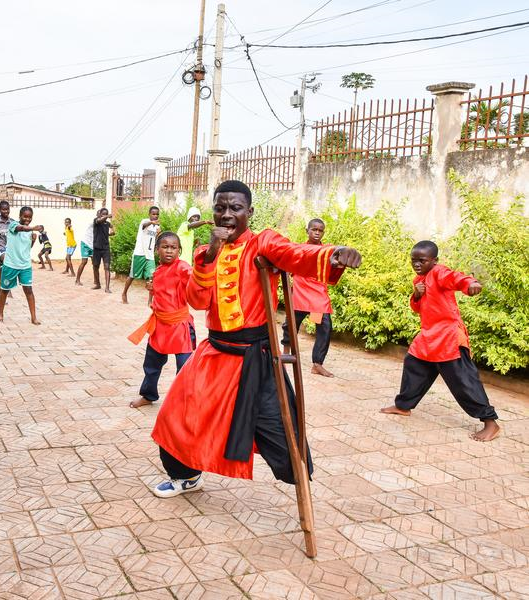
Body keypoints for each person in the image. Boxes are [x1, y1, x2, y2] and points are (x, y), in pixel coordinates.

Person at [149, 180, 362, 498]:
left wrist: (333, 255)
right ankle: (186, 476)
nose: (226, 214)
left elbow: (295, 253)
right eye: (220, 208)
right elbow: (197, 300)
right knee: (178, 413)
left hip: (257, 358)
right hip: (215, 354)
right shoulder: (205, 253)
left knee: (278, 428)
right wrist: (211, 254)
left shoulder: (264, 242)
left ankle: (298, 479)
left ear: (249, 212)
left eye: (235, 208)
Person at [380, 241, 500, 442]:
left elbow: (455, 277)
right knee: (413, 364)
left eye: (422, 260)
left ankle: (490, 422)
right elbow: (417, 308)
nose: (417, 264)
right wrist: (417, 294)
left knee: (463, 381)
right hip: (428, 336)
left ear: (434, 261)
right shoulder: (419, 279)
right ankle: (403, 406)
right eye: (413, 260)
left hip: (448, 337)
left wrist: (470, 283)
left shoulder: (439, 272)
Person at [127, 232, 196, 409]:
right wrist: (152, 288)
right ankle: (148, 395)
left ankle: (183, 402)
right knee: (151, 364)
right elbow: (162, 289)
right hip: (160, 325)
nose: (169, 251)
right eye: (165, 247)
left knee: (185, 366)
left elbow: (193, 277)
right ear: (157, 249)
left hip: (180, 326)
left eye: (173, 247)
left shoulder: (182, 267)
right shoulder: (158, 270)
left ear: (179, 250)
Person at [280, 218, 336, 377]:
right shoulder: (299, 249)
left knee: (325, 326)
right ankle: (285, 353)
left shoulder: (327, 251)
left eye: (320, 230)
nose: (317, 233)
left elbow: (334, 268)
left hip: (318, 295)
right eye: (314, 229)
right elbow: (287, 266)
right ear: (307, 231)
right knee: (291, 323)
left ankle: (317, 364)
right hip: (301, 292)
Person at [0, 206, 43, 324]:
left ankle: (33, 317)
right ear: (20, 216)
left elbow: (26, 249)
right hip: (10, 264)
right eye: (25, 216)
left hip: (25, 265)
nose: (27, 219)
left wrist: (33, 240)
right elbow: (21, 228)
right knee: (4, 290)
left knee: (29, 290)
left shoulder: (30, 231)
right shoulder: (13, 225)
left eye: (30, 217)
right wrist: (33, 228)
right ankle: (0, 313)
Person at [122, 206, 160, 304]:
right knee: (132, 276)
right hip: (140, 254)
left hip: (150, 256)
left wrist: (158, 234)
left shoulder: (157, 227)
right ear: (149, 214)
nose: (155, 216)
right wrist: (152, 222)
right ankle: (124, 293)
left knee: (152, 277)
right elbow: (144, 225)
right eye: (153, 214)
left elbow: (154, 241)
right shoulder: (145, 221)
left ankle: (150, 301)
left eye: (157, 214)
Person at [91, 207, 115, 293]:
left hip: (106, 248)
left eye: (106, 214)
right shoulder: (96, 221)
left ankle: (107, 288)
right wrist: (107, 216)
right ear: (100, 214)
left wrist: (112, 232)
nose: (104, 215)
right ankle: (97, 284)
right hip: (97, 248)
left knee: (107, 267)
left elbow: (111, 228)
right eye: (103, 214)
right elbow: (100, 220)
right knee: (95, 266)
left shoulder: (107, 224)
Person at [74, 221, 95, 286]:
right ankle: (77, 280)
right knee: (84, 261)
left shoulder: (101, 225)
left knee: (95, 263)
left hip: (92, 245)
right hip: (85, 244)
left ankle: (96, 279)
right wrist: (107, 216)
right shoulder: (93, 221)